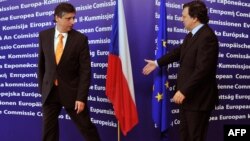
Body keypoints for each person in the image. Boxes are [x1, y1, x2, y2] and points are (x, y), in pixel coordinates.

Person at [143, 1, 219, 141]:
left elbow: (203, 70)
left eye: (184, 16)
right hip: (188, 99)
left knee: (195, 137)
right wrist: (157, 63)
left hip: (198, 100)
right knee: (185, 136)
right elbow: (177, 53)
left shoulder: (207, 37)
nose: (181, 19)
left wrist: (184, 90)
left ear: (195, 17)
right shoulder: (191, 35)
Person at [38, 3, 100, 141]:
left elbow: (85, 71)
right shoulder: (44, 36)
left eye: (74, 18)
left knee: (87, 128)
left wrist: (81, 97)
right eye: (68, 18)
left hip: (72, 94)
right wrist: (43, 90)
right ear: (57, 18)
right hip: (50, 93)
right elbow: (41, 65)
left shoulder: (80, 39)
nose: (73, 22)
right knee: (49, 132)